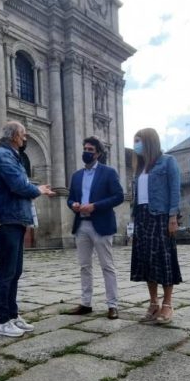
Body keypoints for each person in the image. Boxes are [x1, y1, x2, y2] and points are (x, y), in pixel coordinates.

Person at [0, 121, 55, 337]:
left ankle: (12, 315)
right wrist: (38, 189)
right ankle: (1, 320)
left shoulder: (11, 156)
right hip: (6, 220)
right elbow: (17, 185)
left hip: (14, 219)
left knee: (14, 272)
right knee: (6, 272)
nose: (25, 139)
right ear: (15, 136)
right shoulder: (4, 156)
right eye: (23, 135)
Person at [65, 136, 124, 319]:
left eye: (90, 150)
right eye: (85, 149)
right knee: (84, 266)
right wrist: (73, 204)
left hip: (101, 225)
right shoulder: (76, 176)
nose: (87, 152)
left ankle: (112, 305)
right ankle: (85, 303)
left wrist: (95, 206)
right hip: (81, 225)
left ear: (98, 153)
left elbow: (119, 196)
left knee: (107, 266)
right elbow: (70, 198)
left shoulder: (108, 172)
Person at [130, 128, 182, 324]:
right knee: (146, 261)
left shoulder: (168, 162)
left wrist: (173, 217)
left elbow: (175, 190)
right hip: (142, 217)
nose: (136, 145)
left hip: (160, 216)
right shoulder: (140, 168)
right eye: (135, 141)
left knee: (164, 260)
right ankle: (153, 303)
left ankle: (167, 304)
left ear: (149, 141)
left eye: (138, 141)